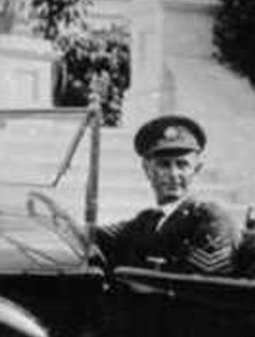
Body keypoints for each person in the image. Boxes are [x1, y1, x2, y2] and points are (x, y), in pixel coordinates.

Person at [92, 115, 243, 276]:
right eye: (164, 165)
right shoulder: (148, 220)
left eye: (182, 165)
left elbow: (204, 285)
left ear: (196, 170)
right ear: (147, 170)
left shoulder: (211, 220)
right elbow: (96, 237)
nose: (173, 174)